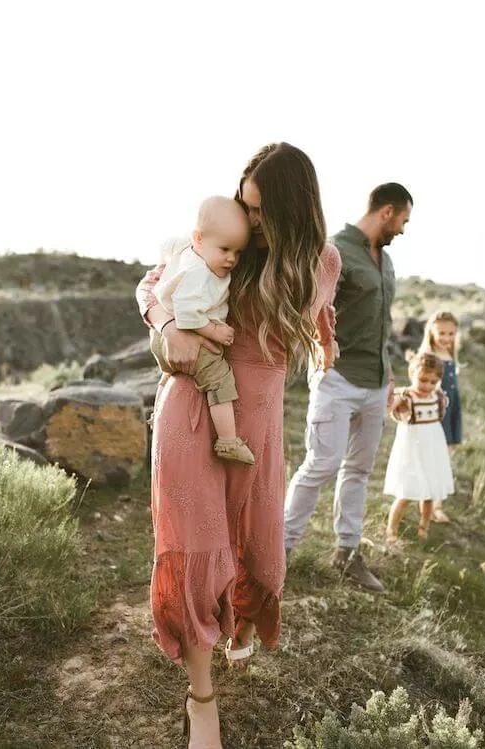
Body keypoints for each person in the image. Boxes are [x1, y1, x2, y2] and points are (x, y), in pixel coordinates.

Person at [136, 142, 341, 749]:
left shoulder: (321, 261)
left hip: (260, 420)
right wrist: (169, 325)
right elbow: (152, 285)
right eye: (244, 206)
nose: (247, 223)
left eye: (258, 212)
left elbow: (320, 308)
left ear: (290, 210)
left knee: (257, 547)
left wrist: (327, 339)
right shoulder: (217, 244)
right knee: (194, 545)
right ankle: (202, 700)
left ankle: (241, 626)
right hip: (191, 407)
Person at [284, 183, 413, 593]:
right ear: (387, 211)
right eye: (404, 220)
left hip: (375, 383)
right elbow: (310, 311)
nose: (404, 230)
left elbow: (382, 325)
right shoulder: (334, 251)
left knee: (358, 470)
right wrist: (322, 353)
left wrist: (389, 376)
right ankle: (278, 553)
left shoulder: (386, 262)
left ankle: (347, 553)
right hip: (336, 379)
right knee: (321, 465)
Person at [149, 196, 254, 465]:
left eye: (238, 252)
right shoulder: (200, 272)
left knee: (167, 373)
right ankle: (228, 441)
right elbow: (186, 313)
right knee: (219, 379)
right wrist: (214, 332)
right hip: (183, 333)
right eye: (225, 249)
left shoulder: (188, 248)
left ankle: (156, 412)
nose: (231, 259)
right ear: (198, 238)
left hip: (160, 339)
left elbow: (167, 245)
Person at [384, 352, 454, 547]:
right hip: (411, 450)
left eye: (433, 381)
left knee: (429, 493)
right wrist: (393, 401)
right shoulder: (406, 396)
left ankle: (424, 527)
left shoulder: (438, 396)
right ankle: (392, 529)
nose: (428, 386)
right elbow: (390, 407)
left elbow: (441, 408)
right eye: (423, 380)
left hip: (432, 448)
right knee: (405, 493)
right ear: (412, 374)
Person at [418, 310, 462, 524]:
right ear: (431, 332)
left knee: (445, 458)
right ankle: (427, 502)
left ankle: (437, 504)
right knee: (431, 459)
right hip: (434, 415)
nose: (446, 338)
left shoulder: (451, 356)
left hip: (451, 413)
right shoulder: (430, 357)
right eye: (442, 333)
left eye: (451, 334)